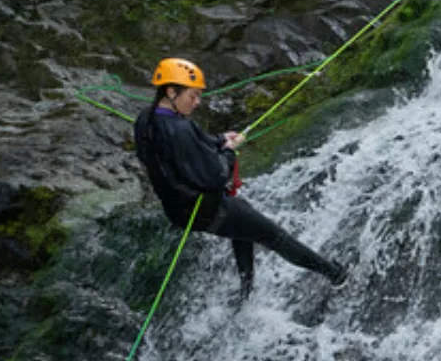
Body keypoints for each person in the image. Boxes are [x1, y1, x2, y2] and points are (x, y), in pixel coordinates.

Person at [133, 57, 349, 299]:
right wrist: (229, 152)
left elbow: (194, 144)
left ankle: (246, 290)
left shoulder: (147, 119)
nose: (197, 102)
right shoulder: (179, 129)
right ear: (171, 91)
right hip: (206, 208)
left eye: (198, 96)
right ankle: (336, 275)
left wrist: (220, 140)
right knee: (274, 236)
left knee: (243, 222)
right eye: (192, 96)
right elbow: (215, 177)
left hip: (179, 211)